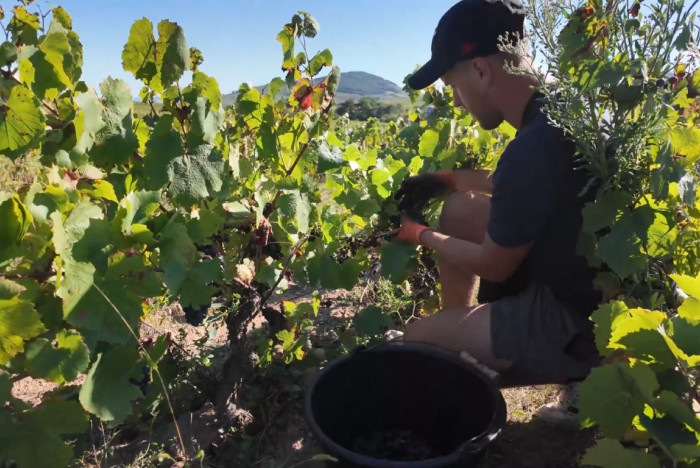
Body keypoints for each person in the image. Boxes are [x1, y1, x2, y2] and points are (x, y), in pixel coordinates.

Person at [392, 0, 603, 423]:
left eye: (454, 85)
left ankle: (594, 376)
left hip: (579, 319)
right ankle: (461, 328)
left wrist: (417, 233)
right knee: (457, 209)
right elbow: (532, 186)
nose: (456, 98)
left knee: (418, 342)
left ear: (482, 72)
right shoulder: (561, 110)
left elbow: (495, 265)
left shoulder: (533, 145)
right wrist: (449, 180)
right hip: (591, 282)